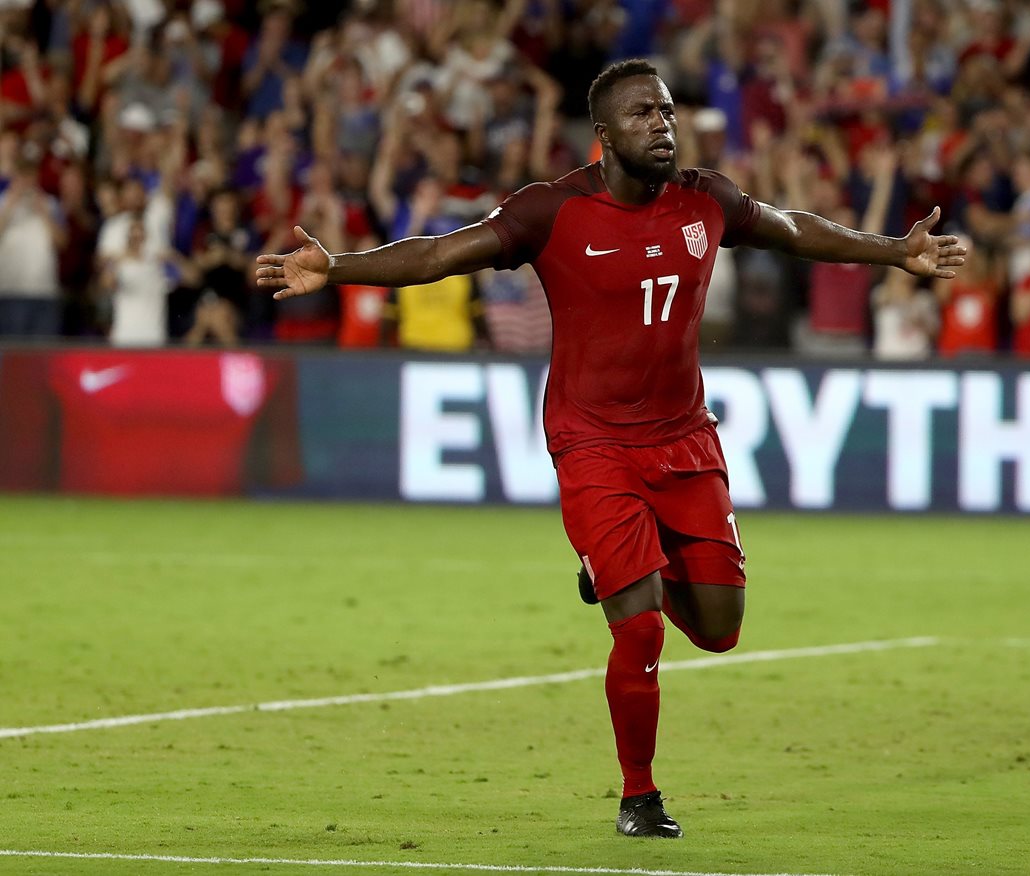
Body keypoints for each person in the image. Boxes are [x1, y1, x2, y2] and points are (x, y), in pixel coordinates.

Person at [256, 59, 964, 840]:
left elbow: (793, 229)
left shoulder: (706, 199)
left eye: (665, 111)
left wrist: (892, 250)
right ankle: (639, 795)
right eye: (641, 115)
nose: (662, 125)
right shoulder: (551, 212)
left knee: (722, 626)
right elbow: (438, 254)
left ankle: (619, 566)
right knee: (642, 624)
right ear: (603, 137)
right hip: (593, 442)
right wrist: (340, 268)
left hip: (684, 438)